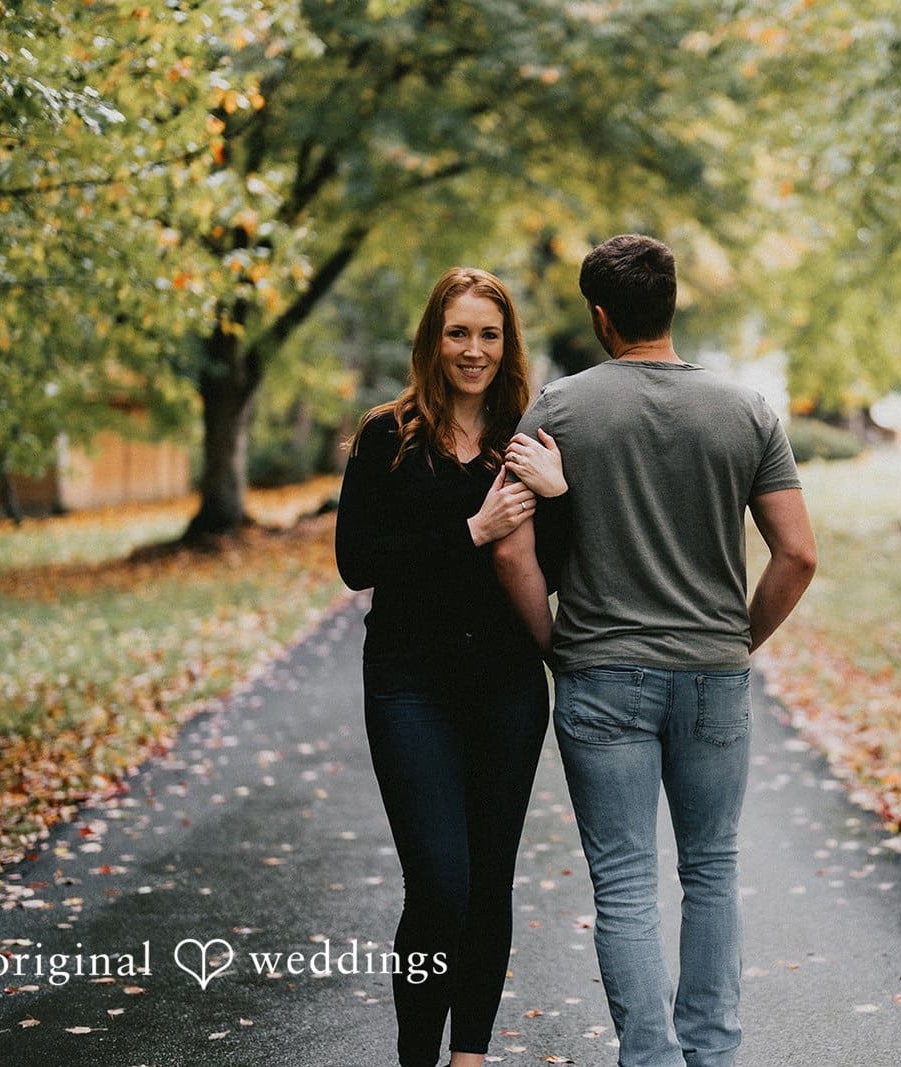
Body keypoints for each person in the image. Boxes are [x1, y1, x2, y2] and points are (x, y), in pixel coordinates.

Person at [494, 234, 818, 1067]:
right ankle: (713, 1056)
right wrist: (736, 641)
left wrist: (552, 642)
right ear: (671, 304)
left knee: (626, 883)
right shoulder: (747, 412)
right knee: (711, 869)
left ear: (601, 316)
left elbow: (507, 547)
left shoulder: (559, 411)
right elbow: (798, 554)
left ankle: (652, 1058)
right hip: (713, 675)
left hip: (601, 674)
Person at [334, 266, 568, 1067]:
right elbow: (355, 561)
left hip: (506, 687)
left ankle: (469, 1054)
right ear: (434, 338)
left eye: (489, 334)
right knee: (440, 882)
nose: (474, 350)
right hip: (410, 684)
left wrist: (561, 494)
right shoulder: (386, 436)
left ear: (509, 346)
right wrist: (468, 531)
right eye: (459, 331)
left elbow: (562, 566)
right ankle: (417, 1057)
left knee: (489, 881)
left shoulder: (529, 446)